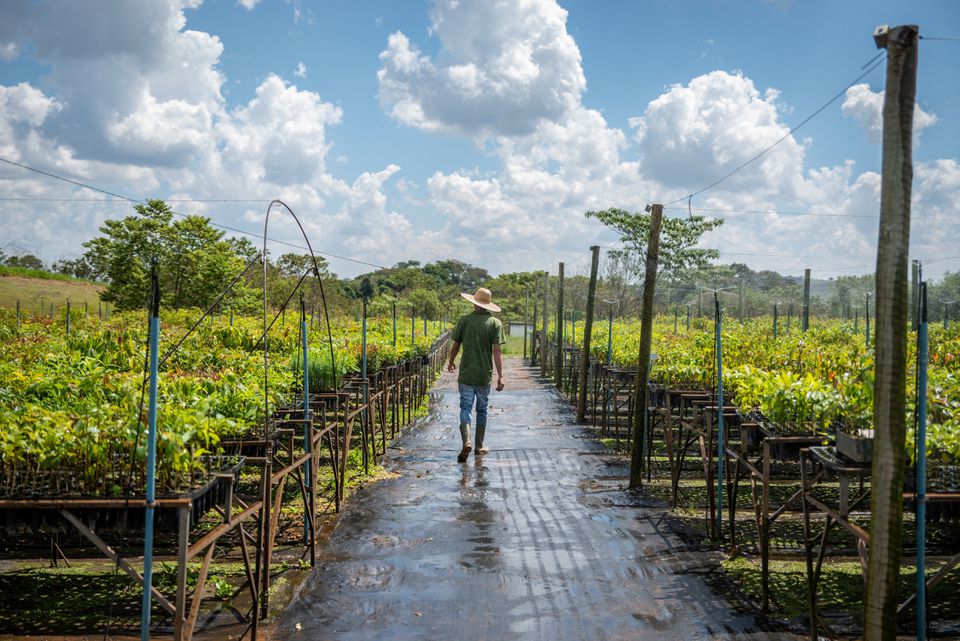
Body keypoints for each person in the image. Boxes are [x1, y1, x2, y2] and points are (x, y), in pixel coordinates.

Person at [446, 287, 506, 462]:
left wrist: (451, 361)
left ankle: (467, 441)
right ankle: (479, 447)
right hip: (483, 375)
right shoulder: (495, 323)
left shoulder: (464, 321)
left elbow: (456, 345)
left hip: (466, 373)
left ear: (474, 303)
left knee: (465, 407)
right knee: (482, 409)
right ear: (488, 305)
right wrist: (500, 375)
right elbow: (497, 352)